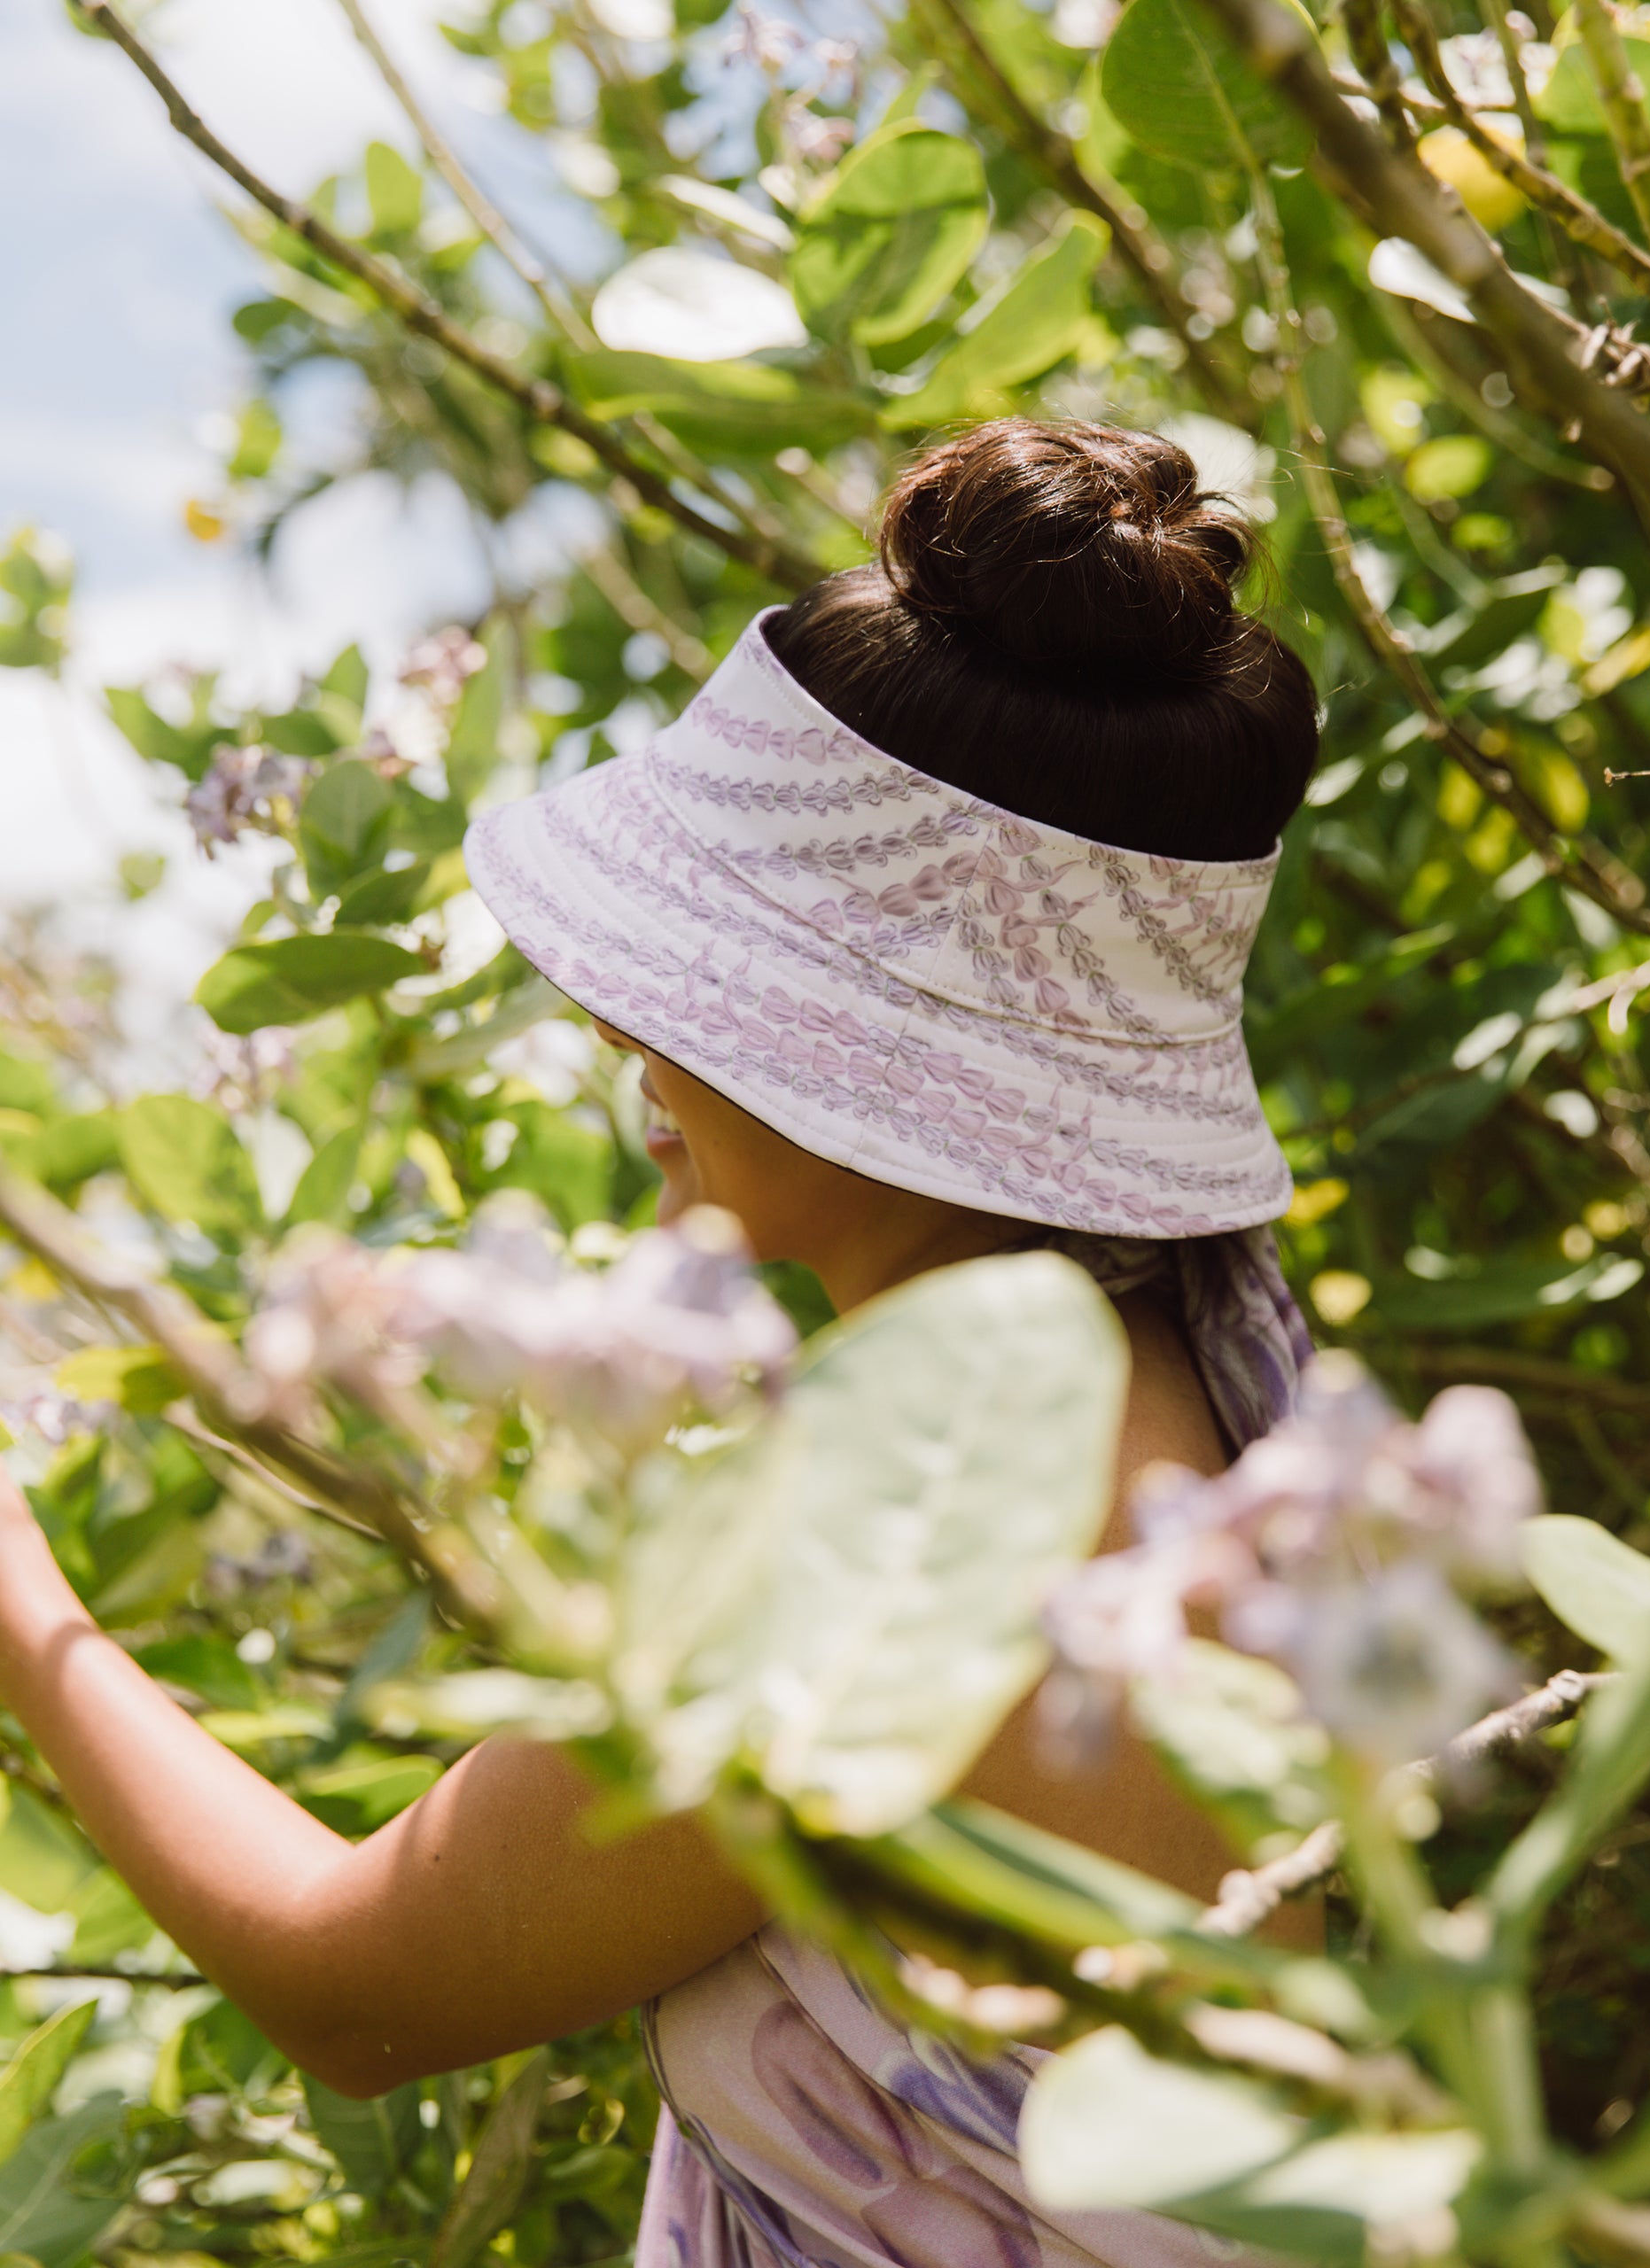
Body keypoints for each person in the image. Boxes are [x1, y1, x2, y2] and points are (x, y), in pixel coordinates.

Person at [0, 420, 1321, 2265]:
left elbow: (348, 1982)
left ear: (883, 1063)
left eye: (707, 996)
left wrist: (19, 1593)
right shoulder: (1171, 1402)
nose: (642, 1059)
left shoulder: (899, 1521)